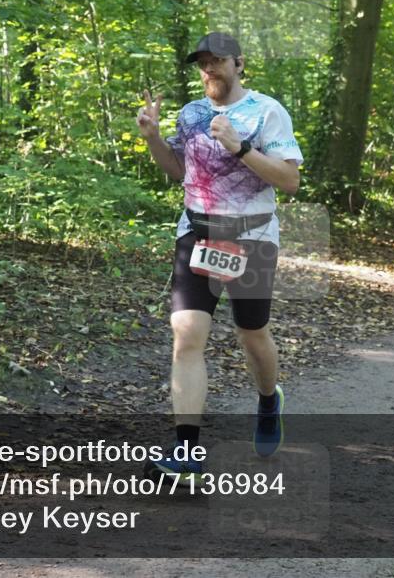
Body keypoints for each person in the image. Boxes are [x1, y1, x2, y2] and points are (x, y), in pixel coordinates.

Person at [135, 31, 303, 482]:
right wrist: (153, 139)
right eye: (203, 63)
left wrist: (240, 147)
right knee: (187, 335)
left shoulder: (267, 111)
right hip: (198, 232)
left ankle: (269, 400)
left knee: (252, 334)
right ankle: (186, 451)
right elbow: (178, 171)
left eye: (218, 62)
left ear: (239, 64)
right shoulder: (191, 113)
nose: (209, 70)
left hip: (251, 237)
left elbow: (289, 182)